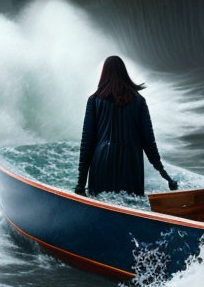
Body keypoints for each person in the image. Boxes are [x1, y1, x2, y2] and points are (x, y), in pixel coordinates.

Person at [74, 55, 178, 197]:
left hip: (102, 162)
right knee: (131, 206)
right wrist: (164, 174)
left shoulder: (93, 101)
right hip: (131, 164)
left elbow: (87, 143)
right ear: (124, 73)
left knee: (102, 205)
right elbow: (149, 141)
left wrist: (81, 184)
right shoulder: (139, 101)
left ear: (103, 74)